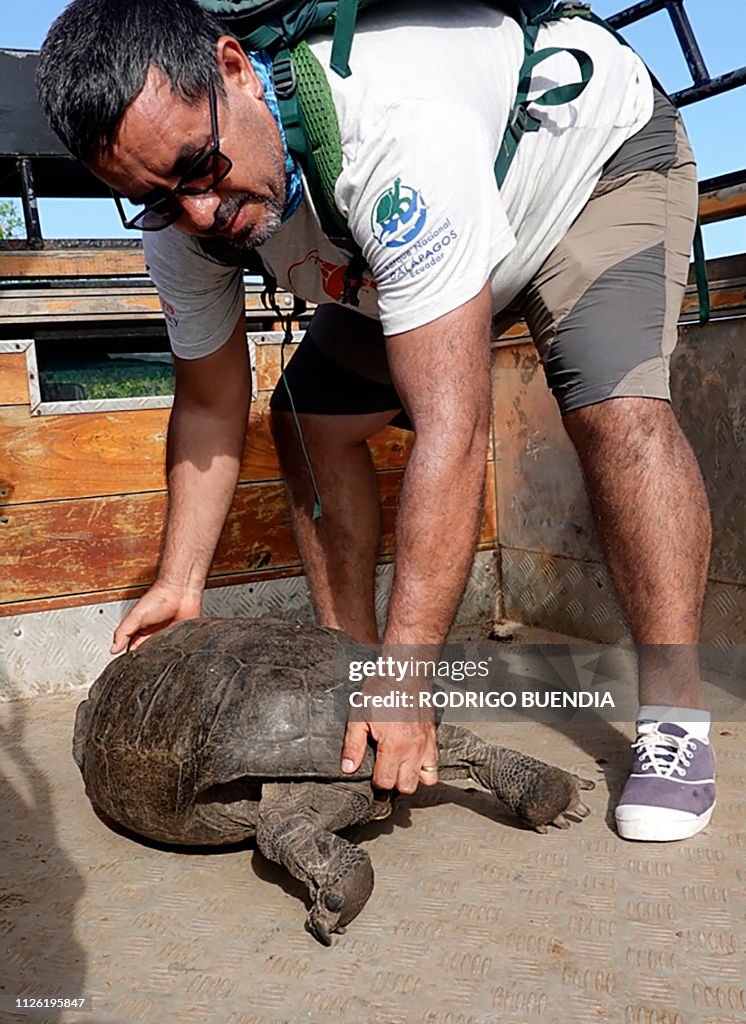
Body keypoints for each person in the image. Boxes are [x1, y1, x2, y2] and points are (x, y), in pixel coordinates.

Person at [37, 0, 715, 841]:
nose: (200, 214)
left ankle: (676, 725)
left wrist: (412, 671)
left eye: (200, 167)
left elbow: (454, 431)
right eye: (153, 199)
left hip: (584, 173)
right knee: (307, 419)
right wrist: (180, 583)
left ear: (236, 70)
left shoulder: (395, 129)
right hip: (422, 244)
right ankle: (351, 689)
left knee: (613, 407)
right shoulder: (185, 220)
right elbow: (212, 401)